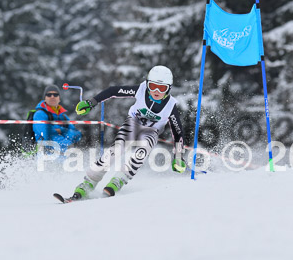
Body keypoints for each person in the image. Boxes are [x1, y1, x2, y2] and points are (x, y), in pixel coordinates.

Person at [66, 65, 186, 200]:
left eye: (162, 88)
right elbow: (113, 91)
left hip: (151, 131)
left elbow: (178, 133)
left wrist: (178, 156)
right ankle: (88, 182)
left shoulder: (170, 106)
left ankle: (119, 180)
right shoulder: (140, 90)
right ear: (147, 84)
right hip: (133, 123)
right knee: (117, 148)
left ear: (169, 88)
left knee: (142, 152)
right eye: (152, 86)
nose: (156, 91)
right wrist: (91, 102)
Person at [33, 84, 82, 153]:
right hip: (45, 157)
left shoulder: (64, 117)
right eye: (49, 94)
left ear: (59, 98)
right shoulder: (39, 114)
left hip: (66, 157)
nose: (52, 96)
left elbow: (77, 135)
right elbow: (47, 134)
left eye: (55, 94)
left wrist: (60, 130)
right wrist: (67, 141)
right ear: (45, 98)